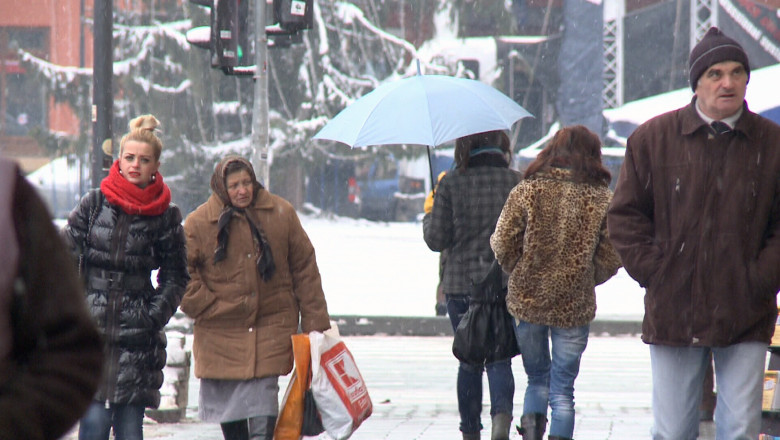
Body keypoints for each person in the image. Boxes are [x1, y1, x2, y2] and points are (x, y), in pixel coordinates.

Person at [606, 26, 780, 439]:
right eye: (715, 73)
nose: (728, 82)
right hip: (675, 308)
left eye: (737, 72)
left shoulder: (771, 144)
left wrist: (761, 277)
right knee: (673, 430)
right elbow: (625, 216)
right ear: (696, 83)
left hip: (746, 307)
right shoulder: (653, 139)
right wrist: (659, 271)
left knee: (740, 427)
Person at [181, 155, 331, 440]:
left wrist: (315, 324)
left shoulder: (280, 213)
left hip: (270, 329)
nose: (242, 190)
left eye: (247, 182)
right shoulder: (200, 222)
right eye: (234, 185)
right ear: (221, 187)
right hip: (220, 336)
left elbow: (305, 269)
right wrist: (209, 306)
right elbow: (180, 274)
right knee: (233, 424)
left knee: (264, 415)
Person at [490, 125, 622, 440]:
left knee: (536, 378)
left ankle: (532, 433)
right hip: (574, 303)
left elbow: (502, 242)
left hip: (528, 298)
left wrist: (518, 268)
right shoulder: (602, 197)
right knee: (563, 388)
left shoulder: (528, 189)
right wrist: (588, 277)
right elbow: (613, 254)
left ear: (551, 150)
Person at [63, 115, 190, 440]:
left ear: (155, 165)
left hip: (137, 337)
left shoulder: (166, 215)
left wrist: (151, 316)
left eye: (144, 160)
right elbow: (62, 253)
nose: (135, 165)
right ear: (119, 160)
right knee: (92, 424)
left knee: (130, 429)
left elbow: (176, 276)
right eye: (129, 158)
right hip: (92, 331)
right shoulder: (94, 203)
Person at [423, 130, 521, 440]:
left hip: (460, 284)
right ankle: (501, 419)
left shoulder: (450, 183)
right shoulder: (515, 182)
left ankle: (470, 431)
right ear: (501, 143)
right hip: (502, 283)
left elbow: (436, 239)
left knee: (469, 359)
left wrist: (430, 213)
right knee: (499, 355)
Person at [0, 157, 103, 440]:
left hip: (131, 329)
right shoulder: (92, 205)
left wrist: (11, 423)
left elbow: (71, 351)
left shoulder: (11, 198)